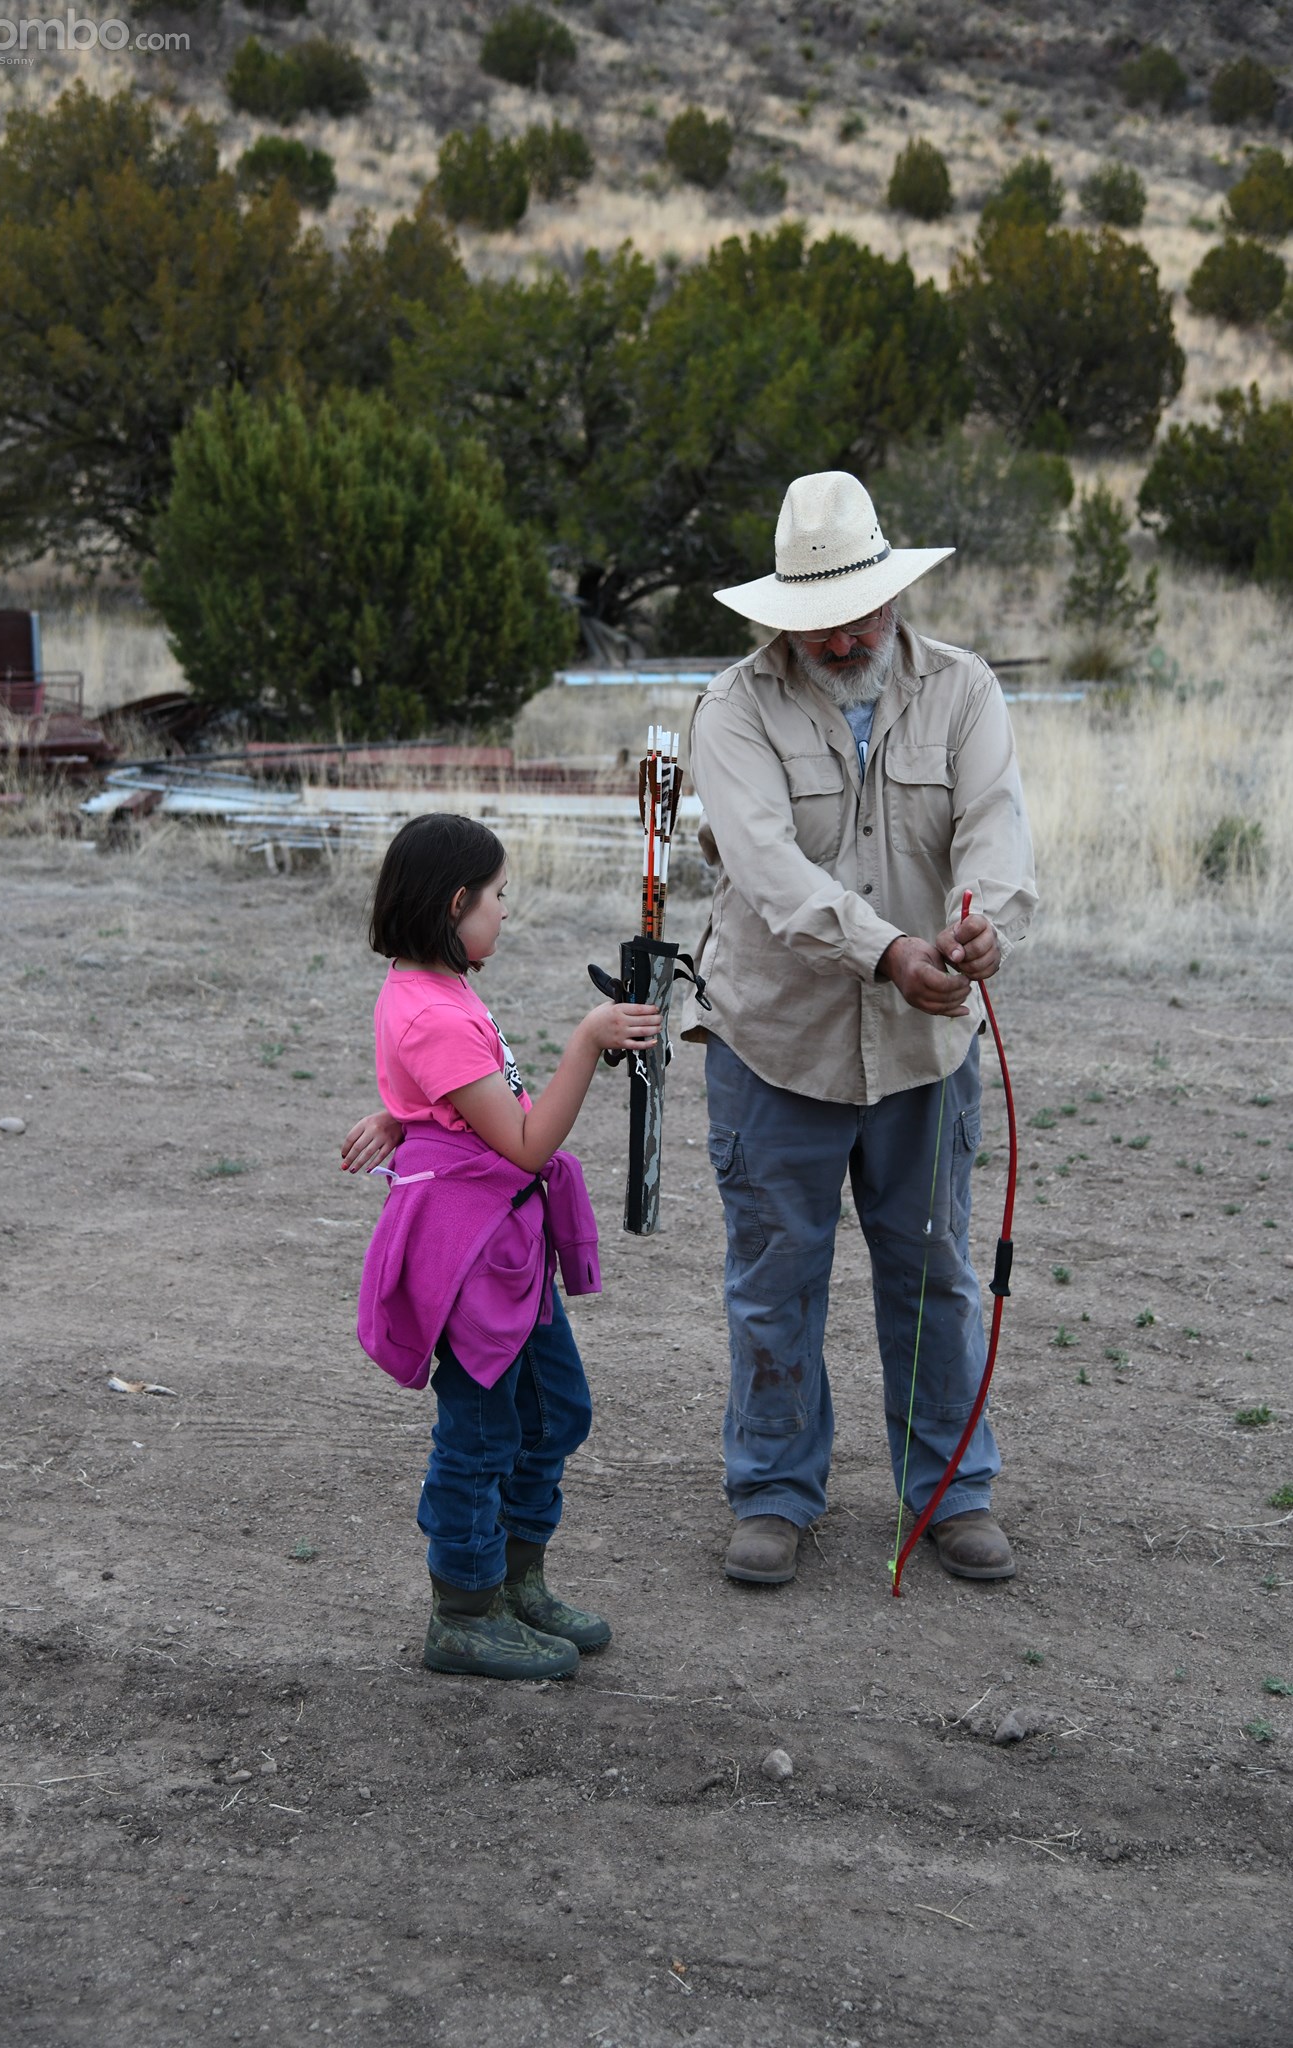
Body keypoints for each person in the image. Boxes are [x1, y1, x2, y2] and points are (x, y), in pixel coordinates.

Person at [680, 470, 1038, 1588]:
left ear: (891, 592)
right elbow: (770, 872)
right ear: (783, 617)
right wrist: (890, 949)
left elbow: (996, 830)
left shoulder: (966, 690)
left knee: (933, 1268)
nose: (842, 637)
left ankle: (949, 1488)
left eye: (859, 611)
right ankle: (776, 1491)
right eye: (816, 620)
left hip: (928, 1049)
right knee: (775, 1275)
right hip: (772, 1040)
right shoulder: (732, 709)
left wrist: (979, 930)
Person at [348, 813, 661, 1679]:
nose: (505, 914)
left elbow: (453, 1104)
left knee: (554, 1413)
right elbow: (524, 1144)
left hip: (510, 1246)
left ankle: (521, 1582)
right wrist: (584, 1043)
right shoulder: (430, 1013)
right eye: (498, 898)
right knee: (481, 1430)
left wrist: (403, 1116)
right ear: (456, 904)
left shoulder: (440, 991)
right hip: (472, 1254)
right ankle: (465, 1608)